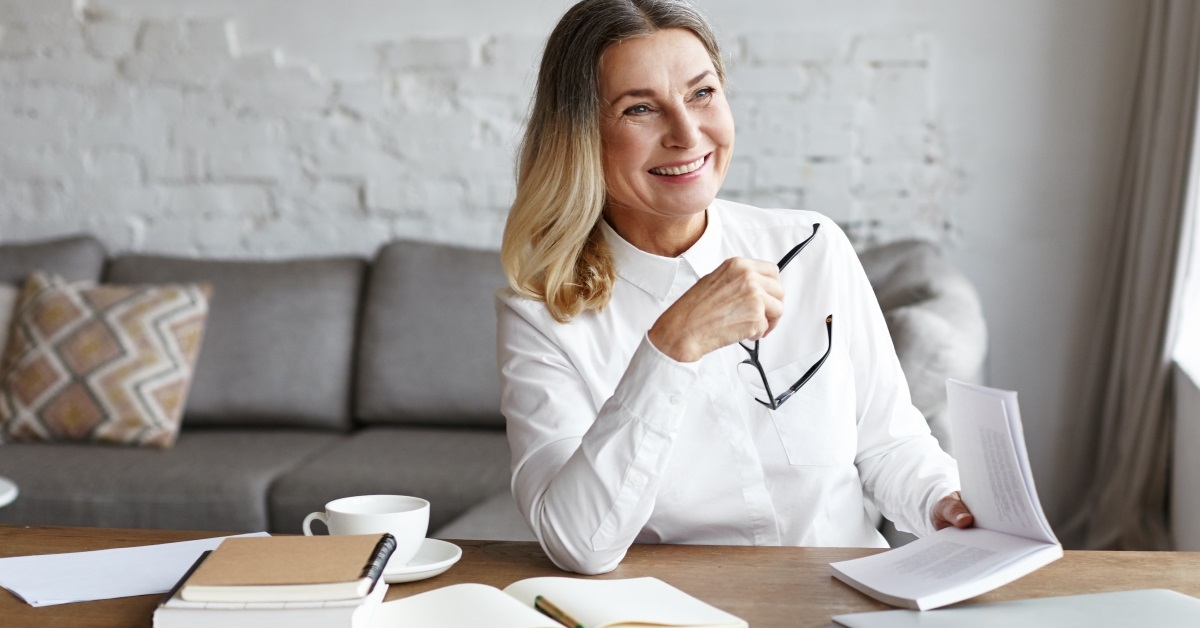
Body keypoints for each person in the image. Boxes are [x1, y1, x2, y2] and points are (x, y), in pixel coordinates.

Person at [496, 0, 973, 576]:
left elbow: (888, 443)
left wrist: (945, 504)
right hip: (685, 611)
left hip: (853, 595)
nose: (687, 132)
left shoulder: (814, 246)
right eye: (640, 108)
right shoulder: (540, 313)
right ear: (581, 136)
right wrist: (669, 347)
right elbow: (577, 543)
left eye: (702, 94)